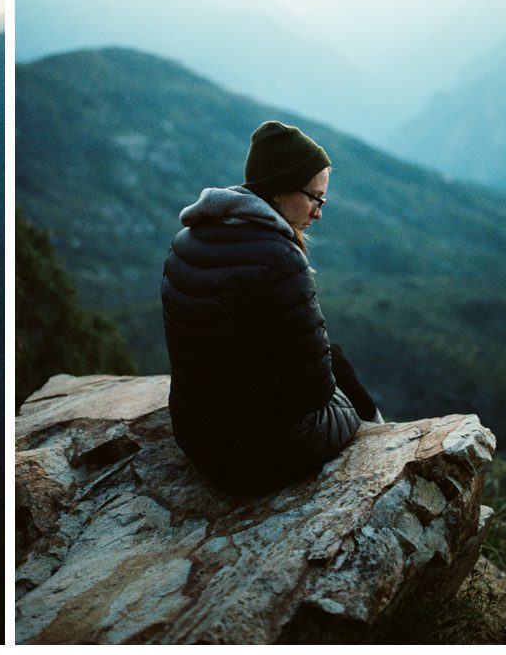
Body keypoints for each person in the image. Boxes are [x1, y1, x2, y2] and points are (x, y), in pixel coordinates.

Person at [160, 120, 380, 495]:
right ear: (279, 190)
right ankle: (383, 438)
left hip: (196, 436)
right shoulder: (279, 258)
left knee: (332, 356)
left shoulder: (187, 239)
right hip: (258, 456)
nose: (319, 212)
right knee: (340, 376)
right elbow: (312, 394)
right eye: (314, 197)